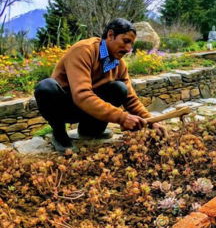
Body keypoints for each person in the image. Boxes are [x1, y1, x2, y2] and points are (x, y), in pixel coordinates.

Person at [34, 18, 165, 152]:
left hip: (90, 108)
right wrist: (122, 118)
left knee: (120, 88)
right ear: (110, 35)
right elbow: (82, 95)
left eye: (131, 44)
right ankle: (59, 134)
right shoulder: (84, 51)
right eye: (125, 41)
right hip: (66, 105)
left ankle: (90, 131)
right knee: (46, 88)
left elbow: (130, 99)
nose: (128, 49)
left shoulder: (119, 64)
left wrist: (151, 121)